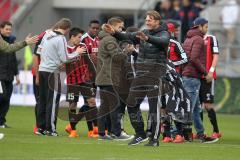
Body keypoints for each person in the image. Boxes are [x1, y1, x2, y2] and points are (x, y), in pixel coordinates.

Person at [103, 11, 170, 146]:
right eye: (146, 19)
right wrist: (114, 33)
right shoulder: (143, 32)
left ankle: (154, 140)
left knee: (153, 109)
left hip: (155, 75)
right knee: (131, 105)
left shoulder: (164, 33)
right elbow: (126, 36)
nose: (147, 21)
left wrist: (147, 38)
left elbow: (163, 42)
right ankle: (140, 134)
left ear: (157, 21)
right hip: (140, 75)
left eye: (150, 19)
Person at [36, 18, 81, 136]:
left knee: (42, 100)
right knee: (52, 101)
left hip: (42, 70)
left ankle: (40, 128)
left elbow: (39, 51)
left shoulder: (46, 34)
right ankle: (50, 129)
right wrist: (78, 52)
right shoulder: (61, 38)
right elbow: (65, 58)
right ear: (67, 29)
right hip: (52, 71)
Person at [181, 17, 218, 143]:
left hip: (187, 75)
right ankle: (181, 134)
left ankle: (201, 134)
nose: (207, 29)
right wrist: (206, 72)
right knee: (189, 108)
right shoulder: (198, 39)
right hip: (192, 77)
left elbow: (186, 58)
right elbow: (194, 59)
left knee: (196, 108)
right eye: (206, 27)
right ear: (200, 26)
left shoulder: (188, 38)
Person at [96, 17, 133, 141]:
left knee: (105, 106)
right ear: (111, 27)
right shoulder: (110, 40)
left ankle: (102, 133)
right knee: (114, 106)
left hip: (104, 77)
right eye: (120, 27)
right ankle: (117, 133)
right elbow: (117, 57)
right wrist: (127, 51)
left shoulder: (105, 39)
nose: (121, 30)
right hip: (109, 77)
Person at [64, 27, 99, 138]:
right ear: (72, 37)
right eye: (79, 37)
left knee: (92, 102)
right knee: (72, 104)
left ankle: (95, 130)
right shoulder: (64, 48)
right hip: (72, 82)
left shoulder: (82, 46)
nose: (80, 39)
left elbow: (88, 62)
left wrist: (95, 77)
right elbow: (63, 61)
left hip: (85, 80)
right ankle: (73, 131)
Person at [199, 30, 221, 139]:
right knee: (197, 106)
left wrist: (211, 71)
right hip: (196, 76)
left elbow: (216, 55)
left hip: (208, 77)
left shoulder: (211, 38)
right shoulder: (193, 38)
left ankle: (216, 131)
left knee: (207, 105)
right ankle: (200, 132)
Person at [0, 21, 20, 128]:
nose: (9, 31)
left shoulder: (12, 41)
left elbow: (13, 60)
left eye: (10, 29)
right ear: (1, 29)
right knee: (2, 97)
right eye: (6, 29)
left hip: (9, 75)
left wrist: (17, 75)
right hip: (0, 76)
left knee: (7, 99)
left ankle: (1, 122)